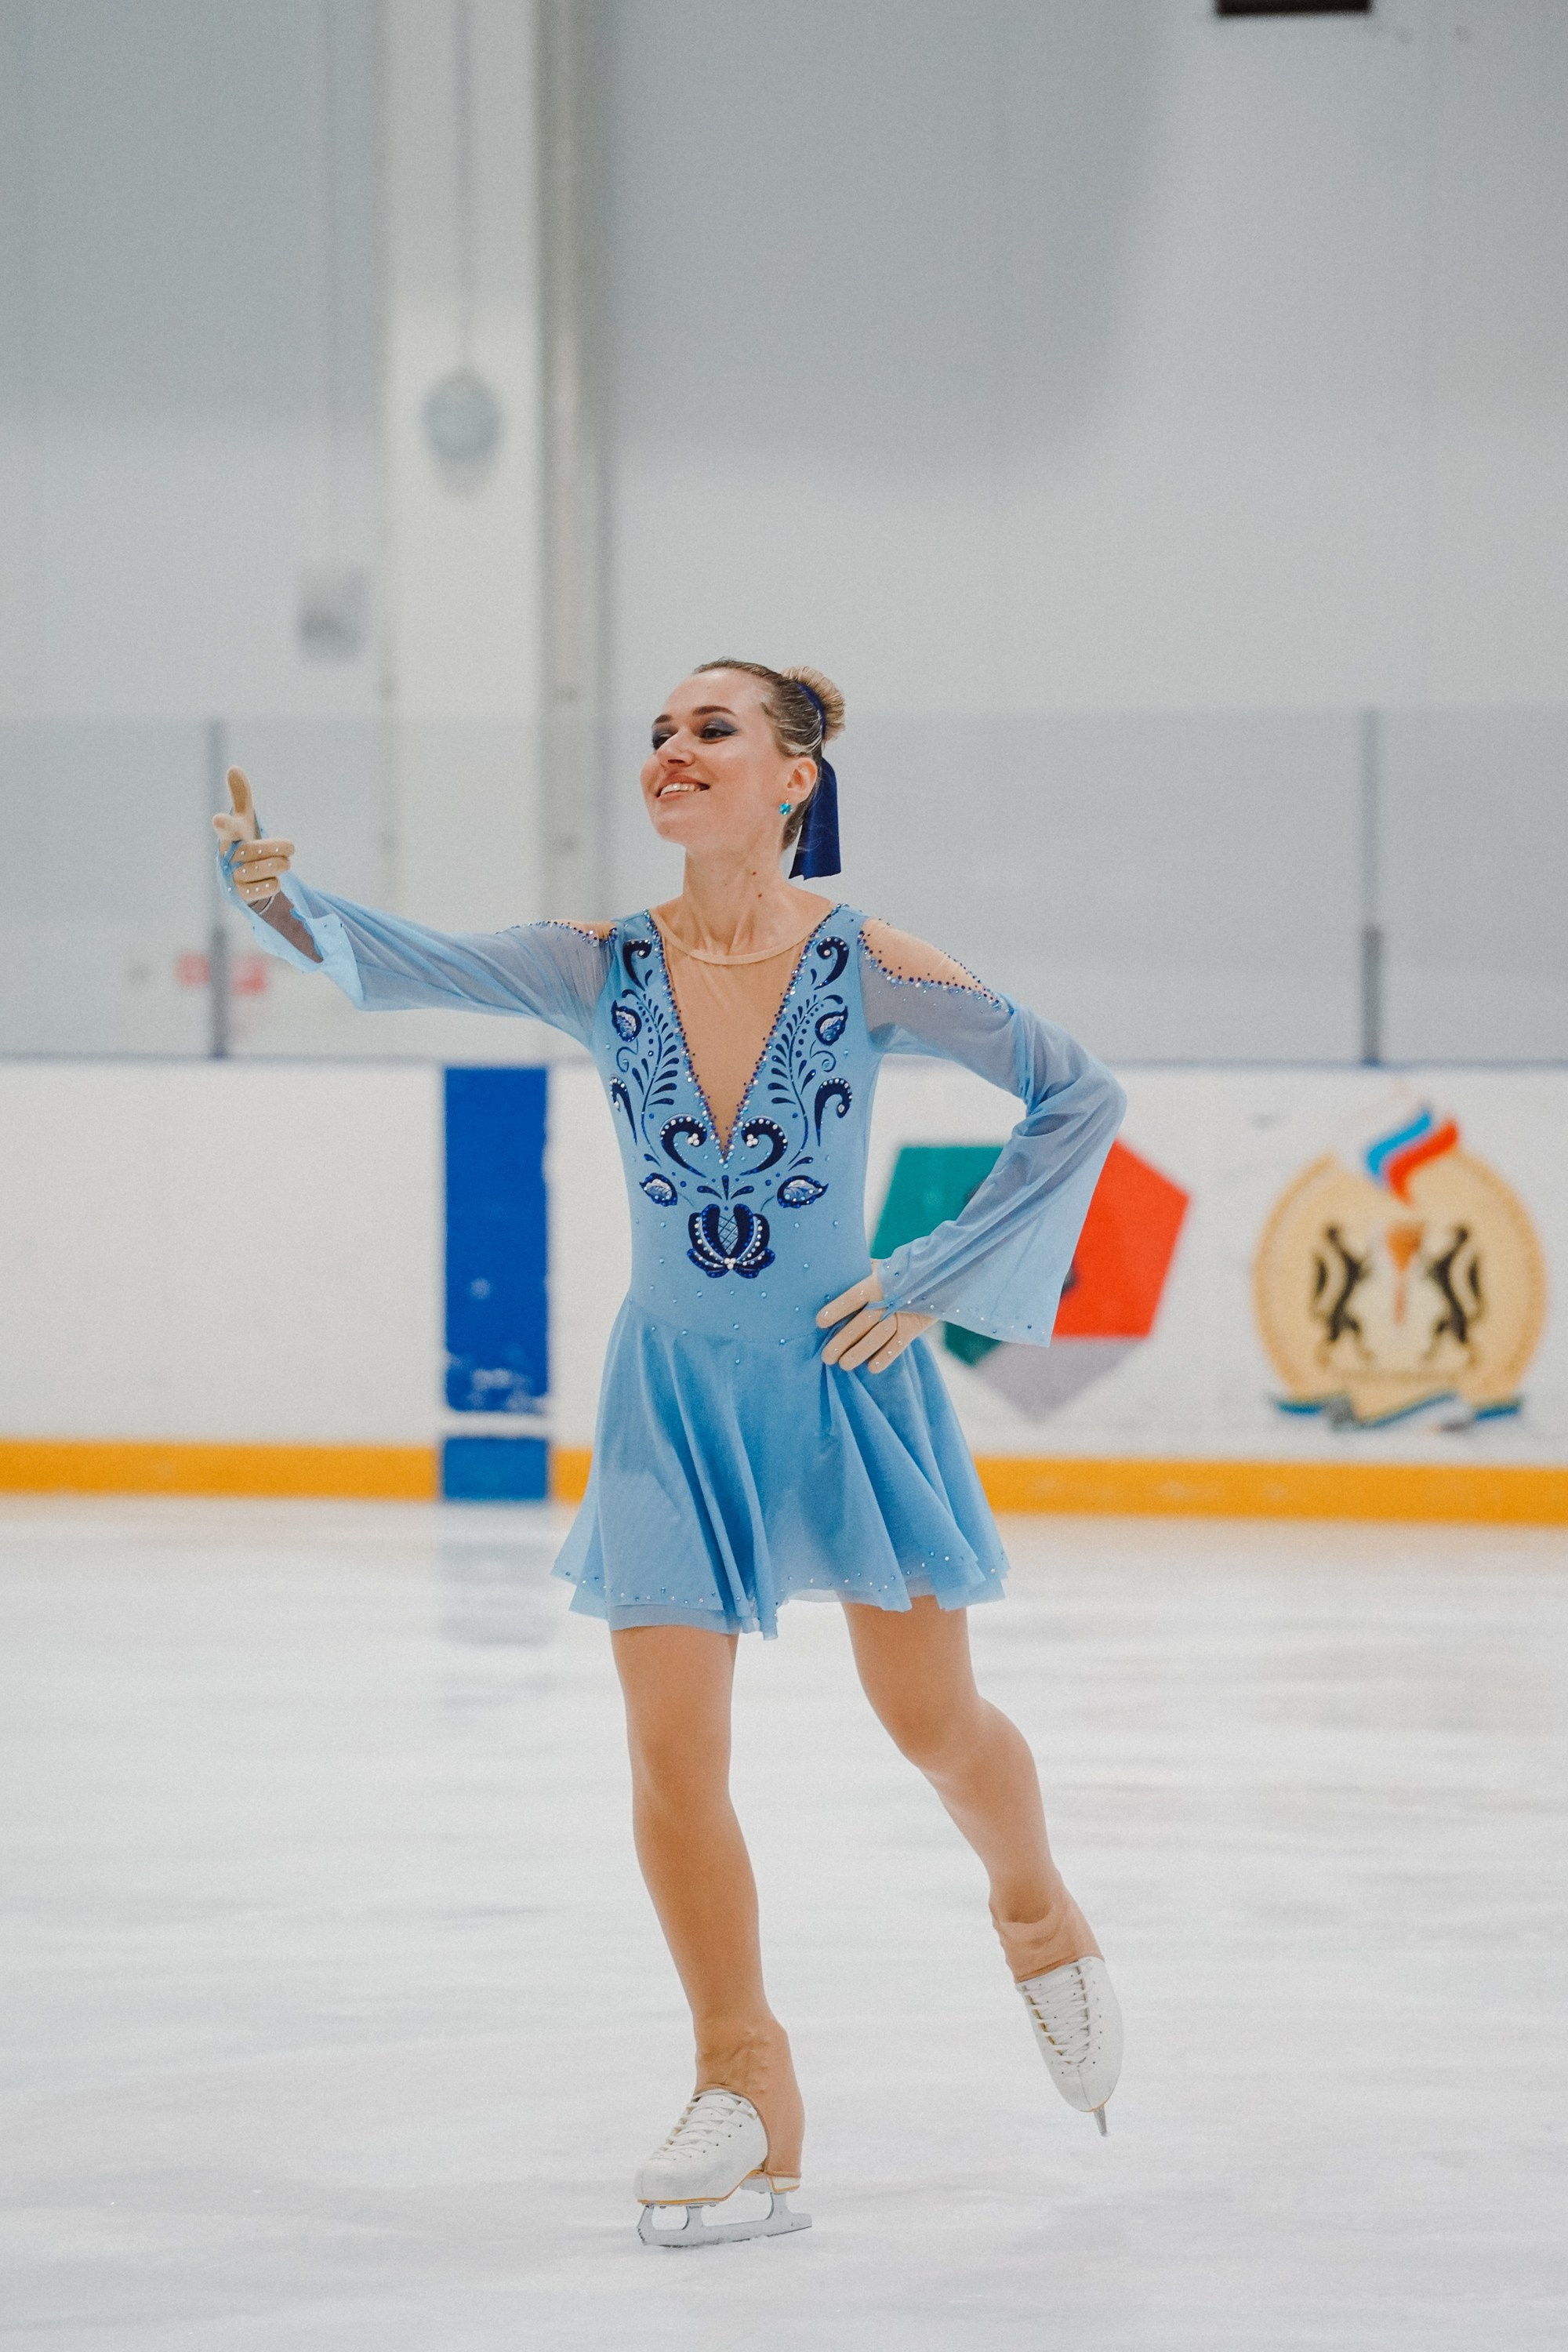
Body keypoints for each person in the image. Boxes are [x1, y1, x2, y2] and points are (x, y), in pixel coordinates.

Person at [215, 659, 1127, 2249]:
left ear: (794, 778)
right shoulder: (601, 964)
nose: (673, 752)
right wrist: (281, 901)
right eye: (658, 734)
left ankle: (1038, 1911)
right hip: (671, 1405)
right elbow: (412, 963)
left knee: (930, 1721)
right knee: (670, 1756)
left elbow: (1075, 1095)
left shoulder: (871, 965)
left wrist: (932, 1275)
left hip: (843, 1386)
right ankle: (741, 2077)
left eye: (713, 731)